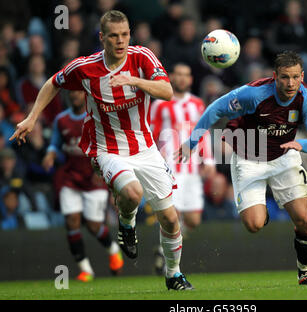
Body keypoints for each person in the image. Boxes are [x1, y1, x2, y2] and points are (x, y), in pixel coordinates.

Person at [10, 10, 192, 290]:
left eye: (125, 34)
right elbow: (53, 83)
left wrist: (135, 81)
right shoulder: (85, 67)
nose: (121, 41)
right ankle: (127, 221)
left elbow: (166, 91)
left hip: (145, 147)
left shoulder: (142, 57)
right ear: (102, 38)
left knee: (169, 217)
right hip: (106, 149)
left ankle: (174, 274)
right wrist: (32, 117)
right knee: (133, 192)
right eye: (114, 36)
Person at [177, 51, 307, 285]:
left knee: (304, 219)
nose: (290, 83)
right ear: (275, 76)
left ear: (302, 76)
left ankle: (305, 271)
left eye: (295, 77)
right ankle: (262, 208)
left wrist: (302, 143)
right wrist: (192, 142)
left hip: (284, 157)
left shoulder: (306, 97)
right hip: (249, 158)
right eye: (285, 77)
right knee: (254, 225)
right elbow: (215, 108)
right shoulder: (254, 94)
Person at [42, 90, 123, 282]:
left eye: (78, 92)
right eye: (72, 93)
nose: (75, 96)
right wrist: (50, 153)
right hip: (70, 178)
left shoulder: (95, 118)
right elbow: (55, 142)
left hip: (93, 179)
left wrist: (104, 171)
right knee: (72, 221)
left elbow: (109, 146)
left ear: (86, 95)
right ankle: (86, 269)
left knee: (94, 226)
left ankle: (113, 250)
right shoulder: (61, 119)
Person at [150, 62, 216, 274]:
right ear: (171, 77)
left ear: (190, 79)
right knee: (173, 215)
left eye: (185, 75)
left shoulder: (197, 104)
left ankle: (163, 248)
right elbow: (152, 133)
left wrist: (209, 161)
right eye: (177, 74)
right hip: (170, 168)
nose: (181, 78)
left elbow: (203, 133)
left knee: (193, 220)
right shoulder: (159, 104)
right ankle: (170, 263)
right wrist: (156, 161)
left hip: (193, 169)